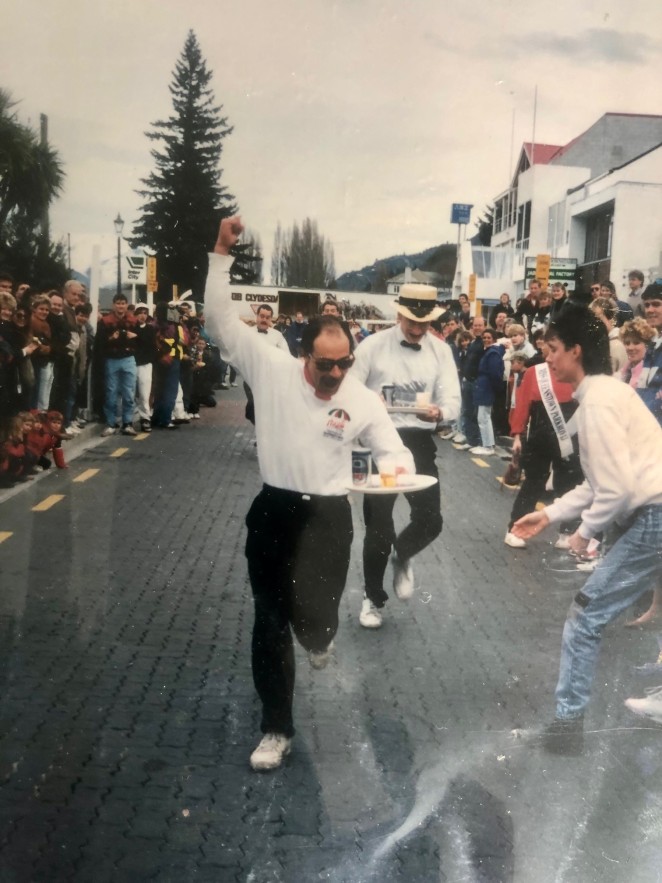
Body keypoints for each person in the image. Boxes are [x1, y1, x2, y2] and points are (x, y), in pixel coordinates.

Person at [204, 216, 414, 772]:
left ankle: (319, 636)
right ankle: (277, 728)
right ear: (304, 357)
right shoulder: (270, 368)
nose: (336, 374)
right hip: (274, 510)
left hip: (328, 519)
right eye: (325, 365)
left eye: (345, 363)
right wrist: (221, 254)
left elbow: (396, 452)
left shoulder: (361, 398)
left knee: (316, 620)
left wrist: (388, 473)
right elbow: (220, 319)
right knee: (269, 620)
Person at [511, 304, 662, 754]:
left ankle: (566, 729)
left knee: (584, 617)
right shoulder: (608, 395)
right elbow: (602, 484)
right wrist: (551, 514)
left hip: (653, 517)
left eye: (553, 350)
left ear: (576, 351)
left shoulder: (599, 402)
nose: (548, 358)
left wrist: (585, 533)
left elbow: (612, 490)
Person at [350, 283, 460, 629]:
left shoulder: (441, 351)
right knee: (378, 526)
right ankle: (372, 599)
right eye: (411, 321)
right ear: (399, 314)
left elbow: (453, 401)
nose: (416, 329)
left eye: (423, 323)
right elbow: (349, 389)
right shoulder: (372, 346)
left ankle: (403, 553)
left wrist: (439, 413)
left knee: (431, 519)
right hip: (375, 442)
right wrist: (370, 404)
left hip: (418, 440)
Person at [96, 292, 138, 436]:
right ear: (114, 305)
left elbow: (142, 340)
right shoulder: (105, 321)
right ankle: (111, 423)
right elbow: (100, 341)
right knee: (111, 392)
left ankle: (127, 423)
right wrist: (111, 338)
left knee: (129, 393)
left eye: (123, 303)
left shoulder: (134, 321)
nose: (120, 306)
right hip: (111, 359)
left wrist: (134, 336)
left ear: (127, 305)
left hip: (128, 358)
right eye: (118, 303)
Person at [244, 304, 291, 425]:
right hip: (252, 378)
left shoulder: (277, 335)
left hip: (271, 379)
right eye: (262, 316)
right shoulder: (247, 334)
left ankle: (262, 438)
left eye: (267, 317)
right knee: (253, 408)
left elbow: (287, 355)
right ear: (257, 316)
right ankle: (261, 435)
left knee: (266, 410)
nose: (264, 320)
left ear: (271, 319)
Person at [471, 327, 505, 456]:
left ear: (494, 339)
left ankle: (488, 446)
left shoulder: (493, 353)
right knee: (483, 417)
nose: (486, 340)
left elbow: (495, 374)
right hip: (483, 387)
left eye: (489, 337)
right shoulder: (490, 352)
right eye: (484, 338)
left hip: (487, 388)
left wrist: (495, 389)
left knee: (484, 417)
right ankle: (486, 444)